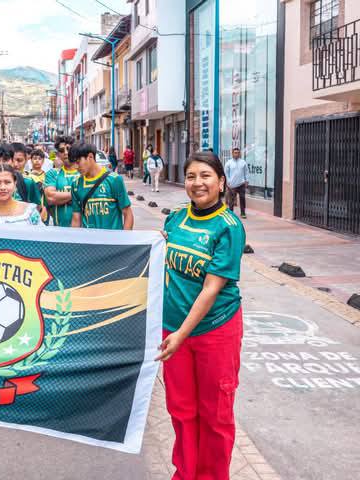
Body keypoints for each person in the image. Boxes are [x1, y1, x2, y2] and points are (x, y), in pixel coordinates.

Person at [158, 150, 246, 480]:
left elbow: (211, 289)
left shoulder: (229, 227)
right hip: (172, 329)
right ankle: (185, 473)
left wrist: (181, 335)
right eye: (191, 176)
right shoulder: (175, 219)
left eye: (206, 176)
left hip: (215, 330)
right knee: (181, 410)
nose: (198, 183)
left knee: (215, 414)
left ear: (221, 182)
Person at [70, 143, 134, 230]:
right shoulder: (76, 184)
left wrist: (124, 237)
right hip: (88, 238)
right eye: (74, 163)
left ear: (90, 157)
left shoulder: (114, 180)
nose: (76, 167)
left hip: (113, 238)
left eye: (78, 162)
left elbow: (127, 213)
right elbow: (76, 218)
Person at [44, 135, 79, 227]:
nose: (66, 152)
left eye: (69, 149)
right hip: (59, 230)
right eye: (61, 150)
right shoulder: (53, 173)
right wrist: (78, 194)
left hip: (84, 230)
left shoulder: (84, 173)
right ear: (58, 154)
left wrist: (61, 198)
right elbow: (51, 198)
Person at [224, 147, 249, 219]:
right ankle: (231, 213)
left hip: (241, 184)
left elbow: (246, 172)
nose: (236, 154)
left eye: (238, 153)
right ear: (232, 154)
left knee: (242, 199)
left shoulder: (243, 162)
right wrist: (228, 182)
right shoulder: (229, 163)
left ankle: (243, 213)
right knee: (231, 200)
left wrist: (246, 180)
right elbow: (226, 173)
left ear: (239, 153)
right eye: (235, 153)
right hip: (232, 185)